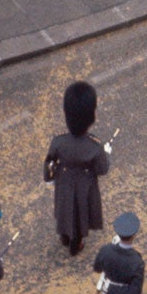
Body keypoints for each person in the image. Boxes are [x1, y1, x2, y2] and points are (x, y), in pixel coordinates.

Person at [43, 80, 108, 255]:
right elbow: (102, 169)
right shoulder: (94, 145)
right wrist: (104, 152)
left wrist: (49, 177)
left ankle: (64, 236)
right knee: (82, 211)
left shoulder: (59, 141)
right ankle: (76, 243)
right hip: (85, 184)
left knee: (65, 208)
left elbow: (49, 162)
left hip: (64, 180)